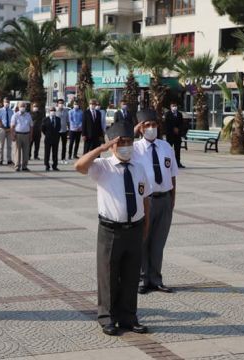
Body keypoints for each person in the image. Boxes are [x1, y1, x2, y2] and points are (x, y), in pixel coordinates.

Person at [74, 120, 151, 336]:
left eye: (129, 141)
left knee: (131, 275)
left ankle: (128, 316)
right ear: (112, 145)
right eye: (121, 142)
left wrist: (145, 226)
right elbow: (79, 166)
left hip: (134, 229)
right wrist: (101, 149)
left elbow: (145, 198)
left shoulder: (139, 167)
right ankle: (107, 317)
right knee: (108, 274)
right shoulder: (103, 166)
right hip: (111, 230)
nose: (126, 146)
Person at [133, 110, 178, 295]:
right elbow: (115, 142)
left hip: (164, 199)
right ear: (141, 128)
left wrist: (172, 199)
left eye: (154, 124)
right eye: (147, 125)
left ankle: (156, 278)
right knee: (144, 241)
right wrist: (132, 131)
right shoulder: (134, 149)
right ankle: (143, 279)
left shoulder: (166, 146)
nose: (151, 128)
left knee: (159, 242)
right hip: (146, 200)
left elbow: (172, 175)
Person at [11, 102, 32, 172]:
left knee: (26, 151)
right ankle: (17, 166)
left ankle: (24, 166)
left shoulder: (28, 115)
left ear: (25, 107)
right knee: (17, 151)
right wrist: (13, 135)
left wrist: (30, 136)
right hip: (18, 135)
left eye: (23, 106)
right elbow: (12, 126)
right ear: (18, 107)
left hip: (26, 134)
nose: (22, 107)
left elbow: (31, 126)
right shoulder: (15, 115)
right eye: (21, 106)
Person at [164, 102, 187, 168]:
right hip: (170, 134)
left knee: (177, 150)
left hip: (177, 135)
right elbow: (167, 123)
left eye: (175, 105)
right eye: (173, 106)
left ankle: (178, 163)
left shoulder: (179, 114)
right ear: (170, 107)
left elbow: (181, 123)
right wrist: (173, 128)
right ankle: (168, 163)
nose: (174, 107)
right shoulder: (168, 114)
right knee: (168, 149)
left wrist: (178, 129)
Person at [42, 106, 61, 172]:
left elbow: (59, 128)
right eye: (51, 110)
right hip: (48, 138)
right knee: (47, 152)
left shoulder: (58, 119)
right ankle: (47, 165)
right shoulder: (45, 119)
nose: (52, 112)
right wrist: (47, 134)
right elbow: (43, 129)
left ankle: (55, 166)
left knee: (55, 152)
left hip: (56, 138)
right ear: (49, 112)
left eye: (54, 110)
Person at [0, 98, 13, 165]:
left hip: (9, 129)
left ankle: (9, 159)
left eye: (8, 102)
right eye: (5, 102)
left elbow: (12, 120)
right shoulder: (0, 110)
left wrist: (10, 129)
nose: (7, 103)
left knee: (9, 146)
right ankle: (1, 159)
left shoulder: (11, 111)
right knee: (1, 145)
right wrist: (3, 127)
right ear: (3, 102)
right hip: (2, 129)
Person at [55, 99, 69, 164]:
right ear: (57, 104)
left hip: (64, 130)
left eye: (62, 103)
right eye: (60, 103)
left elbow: (68, 121)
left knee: (64, 146)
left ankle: (63, 158)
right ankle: (55, 159)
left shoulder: (66, 111)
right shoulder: (55, 111)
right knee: (56, 145)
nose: (61, 104)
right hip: (57, 131)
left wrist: (68, 130)